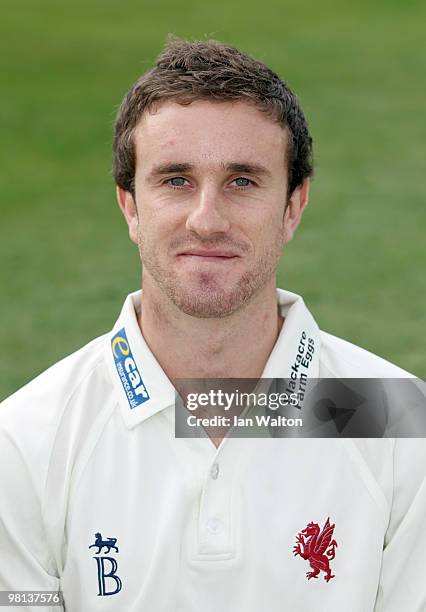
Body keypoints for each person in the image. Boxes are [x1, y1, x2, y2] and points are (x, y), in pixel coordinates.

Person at [0, 36, 425, 612]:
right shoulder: (24, 439)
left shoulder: (403, 427)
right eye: (175, 180)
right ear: (129, 206)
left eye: (242, 181)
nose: (206, 220)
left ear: (294, 206)